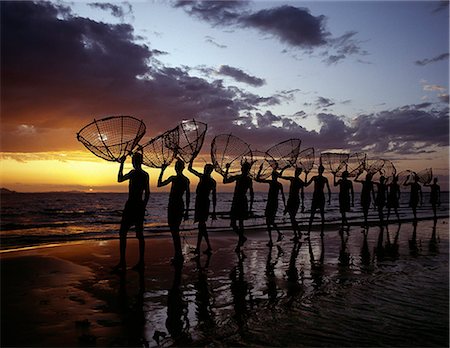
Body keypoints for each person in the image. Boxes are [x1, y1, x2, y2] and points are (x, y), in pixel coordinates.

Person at [114, 152, 150, 272]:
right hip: (138, 205)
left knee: (123, 233)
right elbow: (148, 193)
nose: (134, 163)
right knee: (139, 235)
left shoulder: (134, 173)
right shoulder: (145, 175)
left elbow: (119, 179)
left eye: (134, 161)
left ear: (135, 162)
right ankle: (140, 262)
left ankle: (123, 262)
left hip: (131, 205)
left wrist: (122, 164)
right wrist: (143, 206)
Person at [158, 159, 190, 264]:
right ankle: (178, 254)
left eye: (176, 166)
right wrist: (186, 211)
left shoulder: (174, 178)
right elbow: (188, 197)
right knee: (175, 230)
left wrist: (162, 171)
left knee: (174, 230)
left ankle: (178, 255)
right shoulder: (186, 180)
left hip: (173, 205)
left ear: (177, 168)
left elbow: (159, 184)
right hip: (180, 205)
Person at [188, 159, 217, 256]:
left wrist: (192, 160)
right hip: (204, 203)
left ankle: (201, 247)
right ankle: (205, 247)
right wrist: (213, 210)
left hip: (201, 203)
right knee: (202, 226)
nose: (205, 170)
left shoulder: (203, 177)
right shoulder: (212, 181)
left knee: (201, 226)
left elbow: (190, 169)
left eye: (206, 169)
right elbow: (214, 197)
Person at [223, 162, 254, 249]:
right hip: (240, 201)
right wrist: (227, 169)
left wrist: (227, 169)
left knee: (238, 223)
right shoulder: (243, 178)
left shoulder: (244, 178)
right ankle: (242, 238)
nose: (244, 170)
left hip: (239, 201)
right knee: (236, 223)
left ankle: (240, 241)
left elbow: (251, 193)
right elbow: (225, 181)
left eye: (245, 169)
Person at [256, 167, 286, 246]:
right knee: (270, 221)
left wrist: (260, 170)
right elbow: (283, 196)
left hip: (271, 203)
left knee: (269, 221)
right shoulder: (279, 184)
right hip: (273, 203)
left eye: (273, 175)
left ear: (274, 176)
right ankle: (277, 235)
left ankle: (271, 239)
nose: (272, 176)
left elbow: (258, 179)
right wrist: (285, 205)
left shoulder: (273, 183)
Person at [280, 167, 305, 241]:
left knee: (292, 218)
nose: (295, 173)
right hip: (290, 200)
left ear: (299, 173)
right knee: (292, 218)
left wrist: (303, 204)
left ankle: (297, 234)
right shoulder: (293, 179)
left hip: (295, 200)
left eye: (297, 172)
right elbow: (280, 176)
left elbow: (302, 193)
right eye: (295, 171)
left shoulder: (298, 181)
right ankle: (298, 233)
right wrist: (284, 168)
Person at [305, 165, 331, 235]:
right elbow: (306, 185)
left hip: (319, 197)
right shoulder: (317, 178)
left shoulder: (323, 179)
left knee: (319, 215)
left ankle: (321, 232)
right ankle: (309, 232)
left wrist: (330, 199)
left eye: (320, 169)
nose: (319, 171)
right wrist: (306, 175)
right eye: (319, 169)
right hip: (317, 197)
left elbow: (329, 189)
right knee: (313, 215)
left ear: (321, 171)